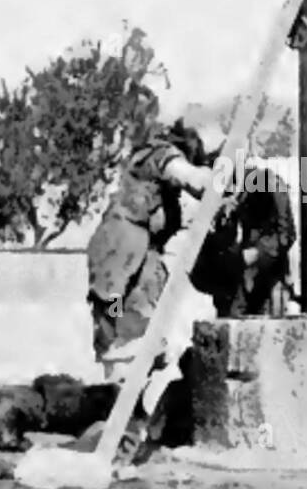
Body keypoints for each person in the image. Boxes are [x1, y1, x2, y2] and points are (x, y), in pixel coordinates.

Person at [85, 119, 213, 383]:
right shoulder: (158, 155)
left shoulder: (157, 188)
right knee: (120, 322)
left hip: (134, 259)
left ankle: (126, 373)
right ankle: (121, 375)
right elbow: (191, 177)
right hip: (121, 254)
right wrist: (218, 177)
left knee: (142, 336)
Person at [190, 155, 296, 319]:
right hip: (231, 287)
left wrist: (255, 254)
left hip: (264, 283)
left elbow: (286, 234)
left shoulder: (268, 184)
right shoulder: (216, 196)